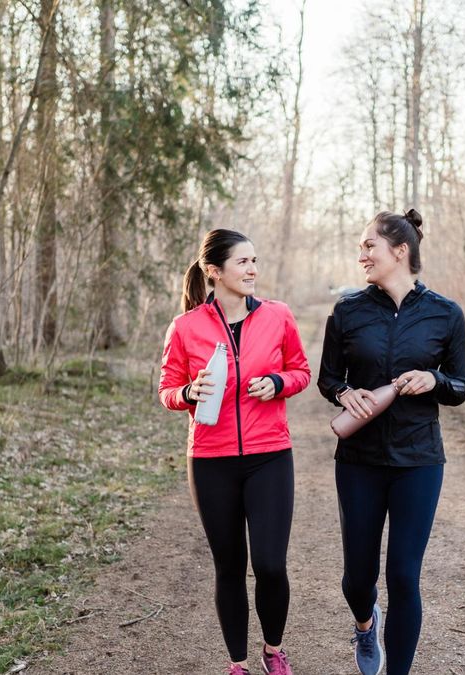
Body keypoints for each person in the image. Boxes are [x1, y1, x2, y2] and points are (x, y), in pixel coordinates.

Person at [317, 210, 465, 675]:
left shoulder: (445, 313)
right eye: (361, 247)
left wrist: (433, 378)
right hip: (359, 460)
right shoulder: (349, 310)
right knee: (356, 580)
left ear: (399, 251)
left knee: (404, 575)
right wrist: (346, 392)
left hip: (419, 460)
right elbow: (327, 379)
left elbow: (460, 387)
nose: (360, 254)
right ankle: (366, 626)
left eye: (369, 246)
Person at [159, 229, 311, 675]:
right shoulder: (185, 327)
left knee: (270, 565)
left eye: (254, 261)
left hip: (269, 456)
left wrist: (278, 383)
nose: (252, 270)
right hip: (210, 462)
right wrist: (189, 391)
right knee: (229, 567)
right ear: (214, 271)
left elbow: (300, 370)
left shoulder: (278, 316)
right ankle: (237, 663)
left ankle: (273, 649)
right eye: (243, 262)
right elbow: (167, 391)